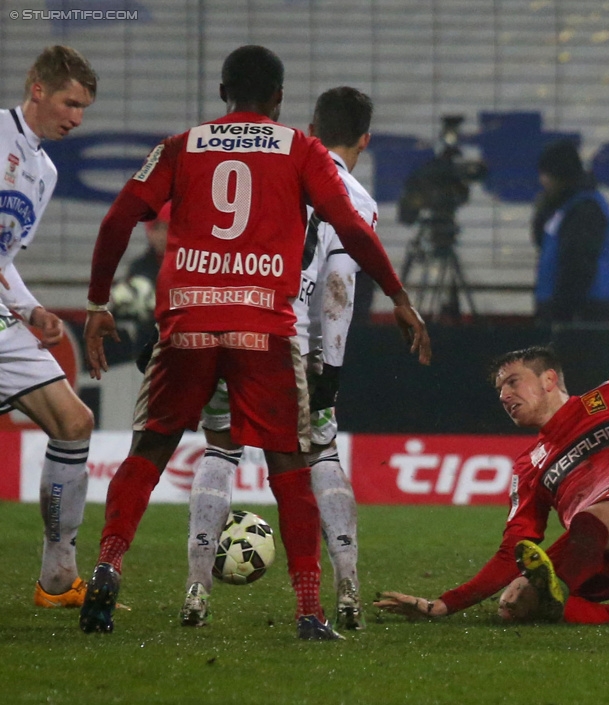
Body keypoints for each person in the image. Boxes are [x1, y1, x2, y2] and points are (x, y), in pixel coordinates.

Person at [79, 45, 431, 640]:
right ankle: (309, 610)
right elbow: (348, 225)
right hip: (263, 326)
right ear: (278, 99)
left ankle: (108, 565)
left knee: (150, 449)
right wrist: (397, 295)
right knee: (290, 463)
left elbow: (117, 220)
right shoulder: (301, 149)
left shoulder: (179, 146)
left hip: (187, 323)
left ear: (222, 91)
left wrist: (97, 304)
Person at [181, 86, 381, 632]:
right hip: (291, 342)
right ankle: (345, 591)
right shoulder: (356, 200)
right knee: (317, 454)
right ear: (365, 138)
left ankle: (197, 587)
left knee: (221, 448)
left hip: (224, 322)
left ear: (312, 126)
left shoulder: (278, 170)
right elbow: (338, 289)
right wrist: (330, 372)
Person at [375, 346, 609, 624]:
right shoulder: (528, 465)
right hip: (589, 559)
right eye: (499, 389)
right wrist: (441, 605)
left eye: (512, 382)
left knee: (592, 517)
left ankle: (559, 588)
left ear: (549, 379)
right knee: (511, 607)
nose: (503, 395)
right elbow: (513, 549)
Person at [0, 46, 97, 609]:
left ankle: (58, 578)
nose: (76, 117)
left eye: (83, 107)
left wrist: (31, 309)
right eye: (70, 102)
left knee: (73, 422)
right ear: (37, 88)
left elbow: (4, 259)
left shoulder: (45, 170)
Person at [531, 139, 609, 324]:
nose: (542, 180)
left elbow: (579, 262)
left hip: (583, 310)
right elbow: (542, 242)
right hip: (561, 306)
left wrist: (562, 310)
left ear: (559, 175)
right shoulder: (562, 207)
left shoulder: (585, 208)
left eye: (546, 174)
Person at [107, 202, 168, 365]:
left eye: (167, 228)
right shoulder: (138, 267)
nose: (162, 235)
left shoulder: (188, 264)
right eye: (157, 228)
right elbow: (122, 310)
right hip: (149, 348)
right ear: (149, 232)